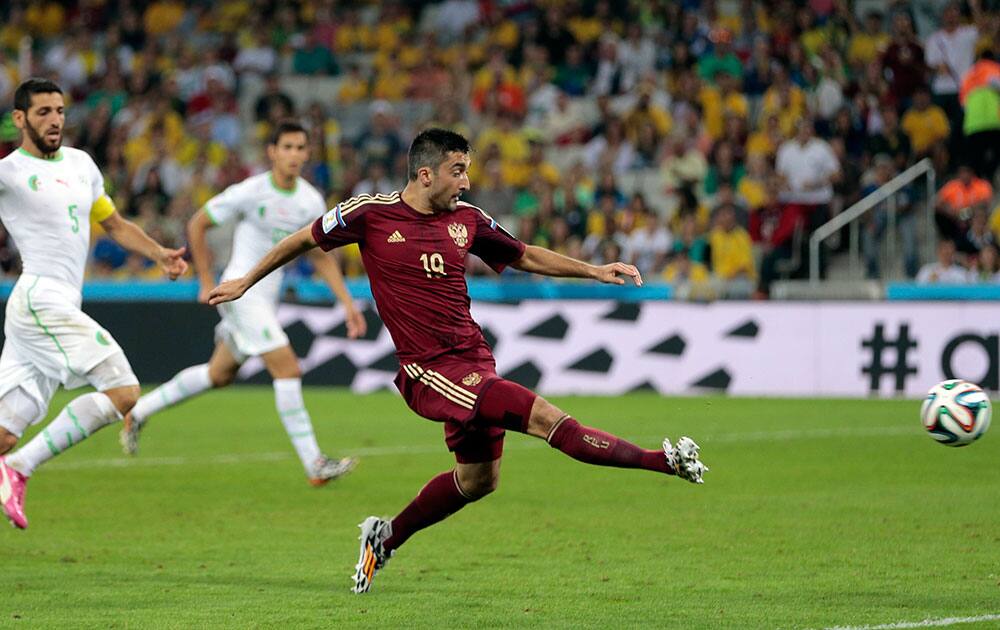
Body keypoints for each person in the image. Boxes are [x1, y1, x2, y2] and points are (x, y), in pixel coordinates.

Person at [207, 129, 708, 593]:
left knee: (478, 481)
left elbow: (524, 254)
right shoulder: (369, 213)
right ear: (426, 174)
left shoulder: (468, 220)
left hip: (474, 359)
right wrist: (245, 281)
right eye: (458, 171)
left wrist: (594, 271)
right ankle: (663, 461)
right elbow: (301, 239)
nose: (466, 182)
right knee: (545, 417)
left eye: (467, 171)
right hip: (428, 371)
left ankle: (384, 537)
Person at [119, 120, 364, 486]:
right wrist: (204, 281)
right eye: (288, 147)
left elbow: (318, 256)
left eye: (301, 148)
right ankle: (315, 464)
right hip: (240, 293)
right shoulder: (250, 191)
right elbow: (198, 223)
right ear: (272, 151)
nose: (295, 155)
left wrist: (347, 303)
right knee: (288, 369)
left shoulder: (309, 200)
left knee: (218, 374)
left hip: (266, 299)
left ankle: (139, 412)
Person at [0, 79, 188, 530]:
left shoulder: (82, 164)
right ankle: (20, 468)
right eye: (43, 112)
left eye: (60, 111)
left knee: (3, 434)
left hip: (51, 307)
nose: (55, 120)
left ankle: (13, 460)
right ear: (20, 119)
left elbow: (114, 223)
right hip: (41, 299)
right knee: (124, 392)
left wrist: (160, 253)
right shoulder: (8, 172)